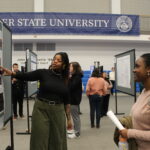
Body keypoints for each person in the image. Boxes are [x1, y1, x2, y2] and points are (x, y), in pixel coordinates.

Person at [0, 52, 72, 150]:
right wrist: (13, 73)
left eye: (59, 60)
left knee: (57, 140)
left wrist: (69, 119)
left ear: (64, 65)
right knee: (39, 139)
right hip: (41, 109)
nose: (55, 61)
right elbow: (26, 76)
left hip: (58, 111)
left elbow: (67, 100)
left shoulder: (66, 79)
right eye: (54, 59)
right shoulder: (43, 73)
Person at [119, 53, 150, 150]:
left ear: (148, 69)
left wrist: (129, 133)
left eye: (137, 66)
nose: (133, 70)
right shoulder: (144, 91)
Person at [68, 62, 83, 138]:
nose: (69, 68)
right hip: (73, 99)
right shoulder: (74, 76)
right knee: (75, 116)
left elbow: (71, 87)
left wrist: (68, 79)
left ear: (74, 68)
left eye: (70, 66)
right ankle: (76, 130)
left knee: (75, 117)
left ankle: (77, 133)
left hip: (74, 99)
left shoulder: (76, 77)